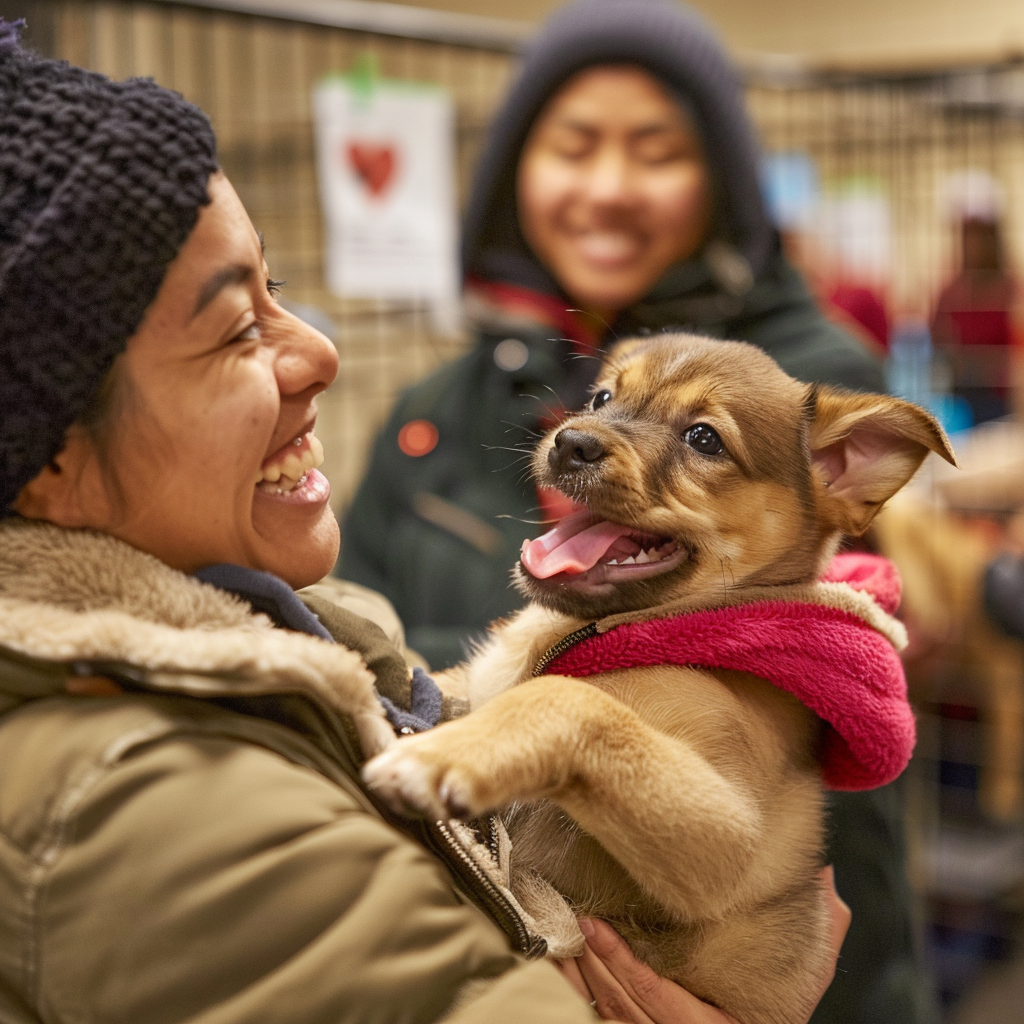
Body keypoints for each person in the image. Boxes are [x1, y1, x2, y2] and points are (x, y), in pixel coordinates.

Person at [0, 21, 848, 1024]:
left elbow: (800, 838)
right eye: (237, 324)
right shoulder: (152, 795)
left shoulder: (808, 405)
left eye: (657, 149)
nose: (320, 349)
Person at [339, 3, 933, 1024]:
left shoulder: (806, 388)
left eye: (653, 150)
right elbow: (355, 622)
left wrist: (528, 707)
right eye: (573, 145)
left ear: (721, 183)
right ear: (515, 173)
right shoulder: (433, 413)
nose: (607, 186)